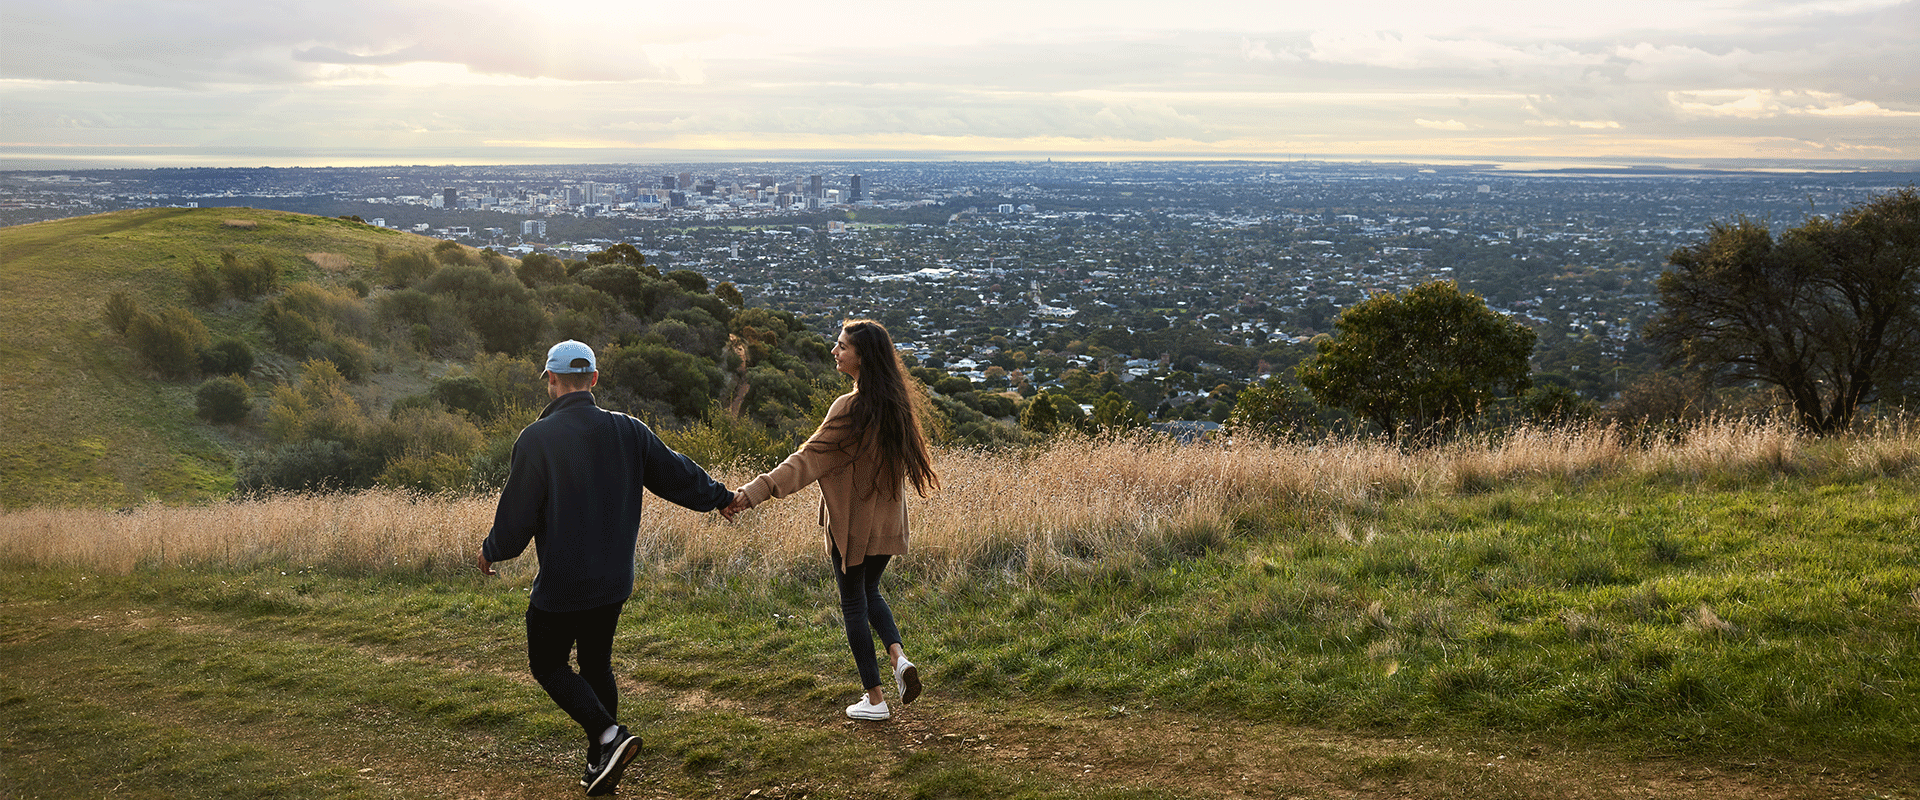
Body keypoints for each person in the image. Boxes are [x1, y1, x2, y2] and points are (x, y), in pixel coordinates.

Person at [478, 340, 734, 796]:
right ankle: (601, 764)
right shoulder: (628, 431)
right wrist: (720, 497)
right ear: (594, 379)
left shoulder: (536, 439)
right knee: (596, 663)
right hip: (614, 581)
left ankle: (609, 736)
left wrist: (493, 550)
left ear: (551, 381)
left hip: (562, 583)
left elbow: (517, 518)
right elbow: (677, 474)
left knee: (547, 663)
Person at [722, 319, 939, 721]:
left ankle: (874, 700)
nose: (834, 352)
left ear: (863, 356)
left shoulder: (850, 408)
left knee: (853, 603)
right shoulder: (894, 405)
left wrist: (750, 494)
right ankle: (898, 658)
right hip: (887, 526)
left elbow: (806, 460)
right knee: (870, 590)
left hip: (853, 528)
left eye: (842, 346)